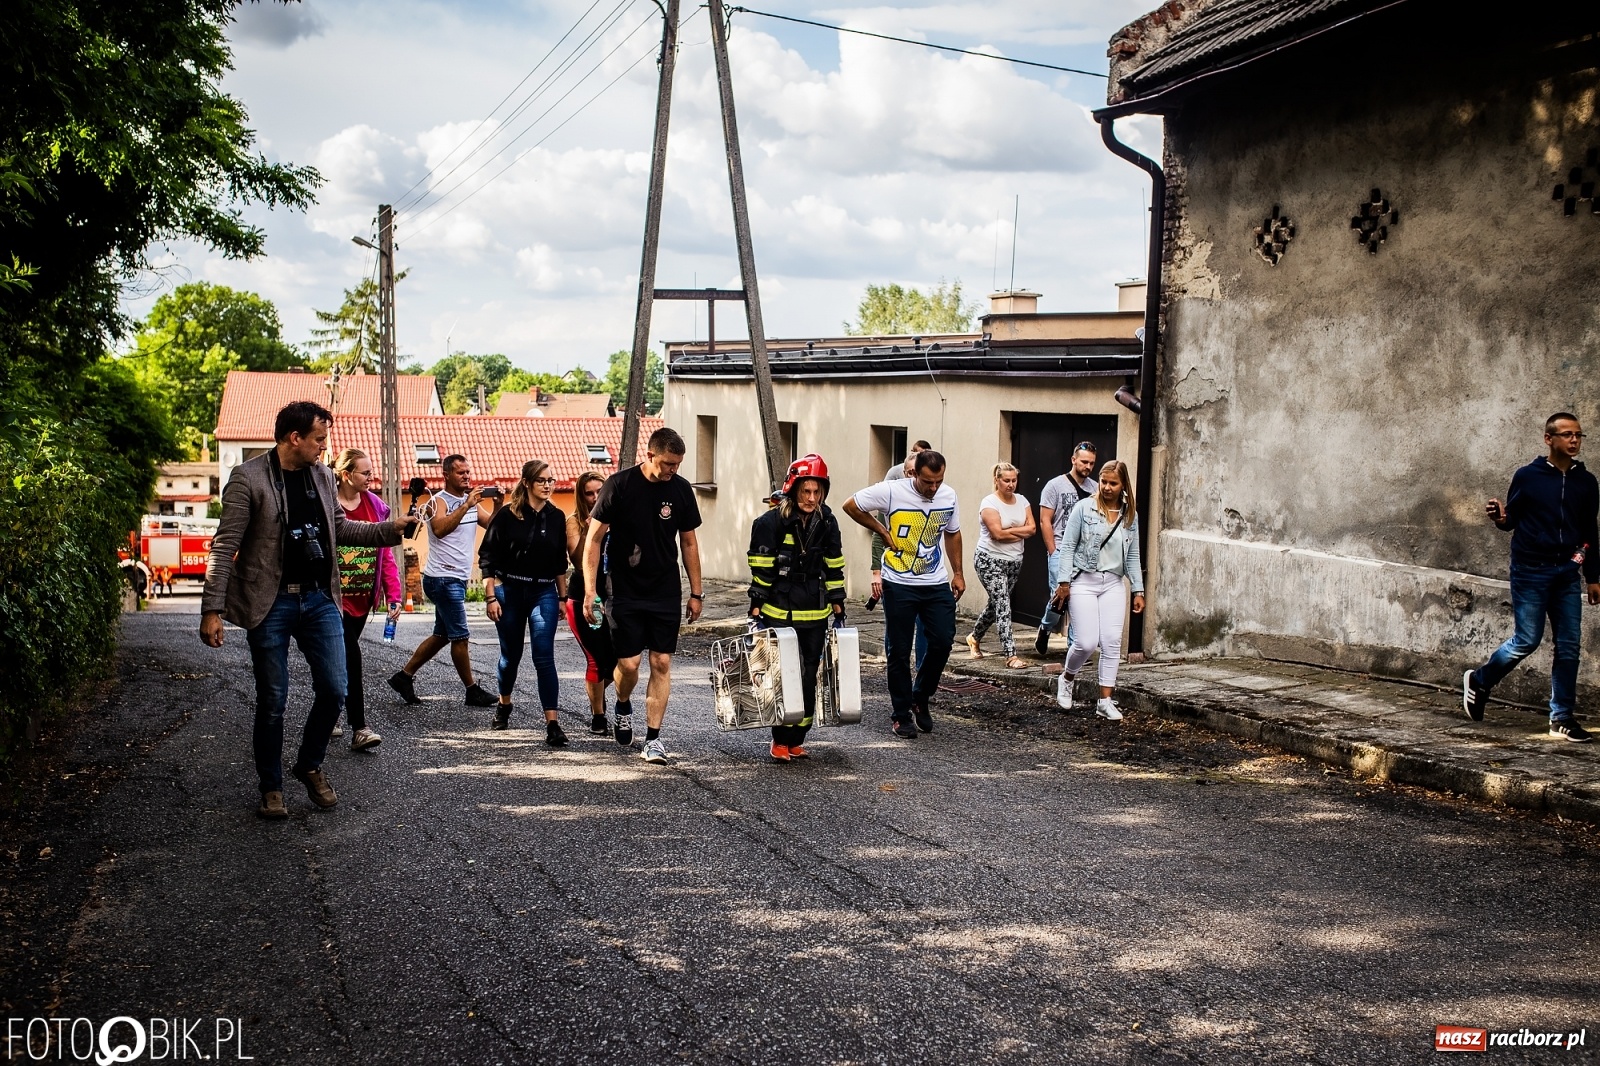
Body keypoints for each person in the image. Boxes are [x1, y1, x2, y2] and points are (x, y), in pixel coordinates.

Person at [199, 401, 409, 818]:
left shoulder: (322, 476)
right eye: (318, 439)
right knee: (273, 698)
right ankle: (270, 787)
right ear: (294, 438)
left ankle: (309, 764)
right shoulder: (248, 478)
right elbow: (225, 546)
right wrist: (212, 609)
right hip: (270, 601)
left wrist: (389, 530)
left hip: (319, 598)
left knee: (335, 688)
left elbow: (341, 528)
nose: (324, 447)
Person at [1463, 413, 1600, 742]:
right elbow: (1511, 521)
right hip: (1530, 571)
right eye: (1566, 435)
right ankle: (1480, 681)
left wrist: (1592, 576)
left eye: (1578, 435)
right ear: (1548, 439)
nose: (1574, 441)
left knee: (1569, 647)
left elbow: (1589, 530)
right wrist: (1499, 518)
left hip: (1567, 574)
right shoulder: (1528, 476)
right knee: (1527, 640)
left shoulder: (1587, 482)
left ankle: (1561, 717)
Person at [582, 427, 704, 764]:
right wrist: (590, 590)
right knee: (629, 664)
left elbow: (689, 542)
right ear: (649, 456)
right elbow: (593, 539)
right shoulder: (619, 485)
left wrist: (697, 592)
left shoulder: (680, 491)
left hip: (664, 588)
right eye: (667, 463)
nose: (672, 470)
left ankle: (653, 739)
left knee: (661, 662)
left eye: (677, 464)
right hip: (622, 589)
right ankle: (622, 703)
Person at [843, 449, 964, 739]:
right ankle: (900, 715)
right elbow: (850, 505)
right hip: (898, 581)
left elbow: (953, 532)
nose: (933, 488)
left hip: (934, 581)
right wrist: (882, 531)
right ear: (913, 475)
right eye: (927, 482)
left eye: (938, 481)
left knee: (943, 640)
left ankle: (919, 696)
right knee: (898, 650)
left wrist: (958, 572)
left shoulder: (948, 495)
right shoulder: (891, 491)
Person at [747, 454, 847, 762]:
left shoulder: (827, 521)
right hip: (779, 610)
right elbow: (761, 567)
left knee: (808, 675)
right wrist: (756, 604)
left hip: (815, 613)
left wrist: (838, 601)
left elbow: (833, 564)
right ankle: (780, 739)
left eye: (817, 492)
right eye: (806, 491)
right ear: (794, 489)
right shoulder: (770, 522)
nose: (812, 498)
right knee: (783, 676)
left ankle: (796, 738)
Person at [388, 455, 498, 708]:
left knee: (442, 634)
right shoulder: (437, 502)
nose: (466, 477)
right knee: (460, 636)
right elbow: (439, 529)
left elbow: (491, 525)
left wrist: (498, 504)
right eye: (460, 473)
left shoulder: (470, 501)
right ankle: (472, 691)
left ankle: (404, 677)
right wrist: (466, 505)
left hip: (456, 579)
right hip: (442, 578)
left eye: (468, 472)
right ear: (447, 475)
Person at [481, 459, 569, 743]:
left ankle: (552, 724)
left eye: (551, 480)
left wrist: (563, 597)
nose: (548, 485)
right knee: (511, 657)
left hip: (543, 591)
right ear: (528, 483)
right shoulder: (508, 515)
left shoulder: (556, 516)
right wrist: (491, 597)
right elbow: (487, 559)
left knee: (543, 655)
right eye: (542, 480)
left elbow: (559, 562)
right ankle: (504, 703)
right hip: (510, 592)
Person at [1051, 459, 1144, 720]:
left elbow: (1133, 555)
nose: (1106, 487)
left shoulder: (1130, 515)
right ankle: (1067, 678)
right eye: (1103, 482)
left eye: (1113, 483)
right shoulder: (1084, 508)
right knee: (1085, 642)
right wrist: (1064, 583)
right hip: (1084, 581)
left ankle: (1105, 701)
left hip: (1113, 582)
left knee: (1112, 642)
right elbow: (1067, 546)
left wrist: (1138, 590)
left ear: (1123, 484)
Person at [332, 448, 402, 751]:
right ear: (346, 474)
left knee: (339, 658)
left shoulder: (376, 507)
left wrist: (394, 593)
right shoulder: (327, 504)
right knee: (349, 653)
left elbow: (384, 554)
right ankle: (359, 728)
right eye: (364, 473)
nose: (370, 478)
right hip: (331, 598)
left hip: (362, 599)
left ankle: (330, 710)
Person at [966, 462, 1037, 668]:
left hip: (1014, 561)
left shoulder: (1022, 501)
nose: (1011, 484)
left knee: (996, 604)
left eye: (1014, 480)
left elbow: (1032, 529)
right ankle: (1011, 655)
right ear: (997, 480)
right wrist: (1019, 529)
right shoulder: (989, 503)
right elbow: (997, 535)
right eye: (1006, 480)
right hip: (990, 560)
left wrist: (1011, 531)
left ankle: (974, 636)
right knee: (1004, 604)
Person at [1034, 442, 1100, 655]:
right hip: (1061, 549)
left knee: (1078, 598)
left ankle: (1074, 647)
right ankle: (1046, 627)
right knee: (1060, 596)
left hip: (1085, 553)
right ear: (1073, 460)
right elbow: (1045, 520)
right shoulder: (1054, 486)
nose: (1087, 466)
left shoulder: (1095, 488)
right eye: (1083, 462)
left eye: (1091, 463)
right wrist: (1053, 551)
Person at [870, 440, 932, 668]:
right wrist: (876, 572)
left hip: (924, 576)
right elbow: (878, 534)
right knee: (896, 626)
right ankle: (896, 665)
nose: (911, 477)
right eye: (909, 473)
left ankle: (922, 671)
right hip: (895, 574)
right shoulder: (892, 498)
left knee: (927, 626)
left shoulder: (934, 498)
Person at [566, 471, 617, 736]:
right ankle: (599, 714)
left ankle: (596, 693)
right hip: (583, 596)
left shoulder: (617, 518)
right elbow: (577, 561)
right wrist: (591, 530)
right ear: (580, 495)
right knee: (596, 659)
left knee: (619, 660)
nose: (596, 497)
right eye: (589, 493)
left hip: (614, 595)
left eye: (600, 491)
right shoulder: (574, 522)